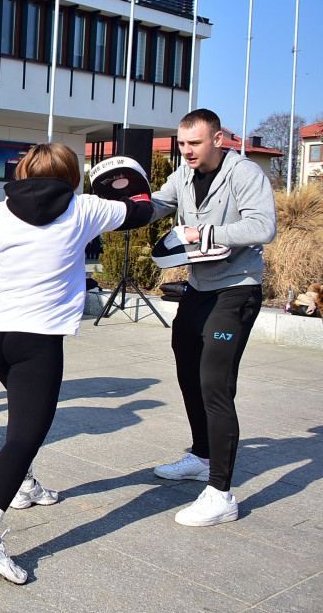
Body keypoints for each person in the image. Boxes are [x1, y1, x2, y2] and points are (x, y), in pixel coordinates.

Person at [0, 143, 153, 584]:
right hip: (36, 343)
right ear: (71, 175)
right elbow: (142, 211)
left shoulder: (4, 210)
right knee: (25, 437)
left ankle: (24, 485)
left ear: (24, 170)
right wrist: (128, 185)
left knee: (20, 419)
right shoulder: (84, 208)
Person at [149, 108, 277, 527]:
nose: (186, 151)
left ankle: (221, 493)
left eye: (195, 143)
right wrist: (122, 207)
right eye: (182, 144)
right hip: (199, 288)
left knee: (214, 384)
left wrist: (202, 234)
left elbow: (263, 226)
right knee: (187, 368)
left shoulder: (243, 173)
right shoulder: (183, 175)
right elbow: (159, 204)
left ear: (217, 139)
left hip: (236, 289)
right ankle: (202, 456)